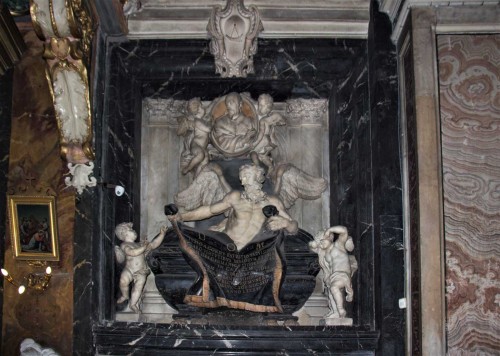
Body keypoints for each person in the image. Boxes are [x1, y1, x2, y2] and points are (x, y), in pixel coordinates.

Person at [170, 164, 297, 251]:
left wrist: (286, 223)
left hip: (255, 253)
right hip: (226, 249)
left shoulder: (273, 201)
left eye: (246, 175)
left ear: (258, 177)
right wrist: (182, 216)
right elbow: (209, 210)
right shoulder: (235, 197)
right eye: (242, 176)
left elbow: (294, 227)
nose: (243, 179)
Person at [114, 223, 168, 313]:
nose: (134, 230)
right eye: (131, 229)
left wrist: (162, 233)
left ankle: (133, 304)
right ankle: (125, 295)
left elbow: (154, 244)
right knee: (123, 280)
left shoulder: (140, 244)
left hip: (141, 271)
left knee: (138, 287)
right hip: (129, 270)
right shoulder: (124, 245)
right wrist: (144, 247)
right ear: (124, 234)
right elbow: (132, 253)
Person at [309, 226, 357, 318]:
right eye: (320, 242)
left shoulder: (338, 245)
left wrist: (330, 230)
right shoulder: (324, 253)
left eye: (323, 240)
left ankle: (340, 309)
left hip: (342, 274)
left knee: (334, 288)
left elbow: (344, 230)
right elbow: (311, 246)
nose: (321, 243)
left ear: (330, 237)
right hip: (334, 276)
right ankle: (335, 312)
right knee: (331, 293)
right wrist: (315, 243)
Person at [177, 98, 211, 176]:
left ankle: (196, 179)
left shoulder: (202, 121)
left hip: (202, 147)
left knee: (205, 161)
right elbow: (208, 129)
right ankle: (188, 168)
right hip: (196, 145)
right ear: (198, 109)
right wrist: (211, 125)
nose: (204, 109)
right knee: (200, 155)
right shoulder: (197, 121)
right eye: (202, 107)